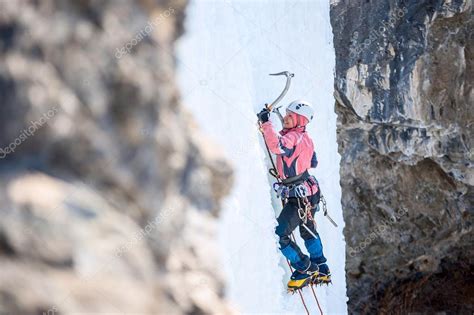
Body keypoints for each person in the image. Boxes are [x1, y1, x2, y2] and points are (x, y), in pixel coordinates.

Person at [257, 100, 331, 290]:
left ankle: (304, 268)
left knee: (279, 234)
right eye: (287, 114)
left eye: (291, 116)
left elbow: (277, 146)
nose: (287, 118)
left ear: (300, 120)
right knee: (308, 230)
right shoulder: (305, 137)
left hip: (299, 197)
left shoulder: (293, 138)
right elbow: (312, 162)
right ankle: (321, 267)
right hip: (310, 192)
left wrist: (266, 122)